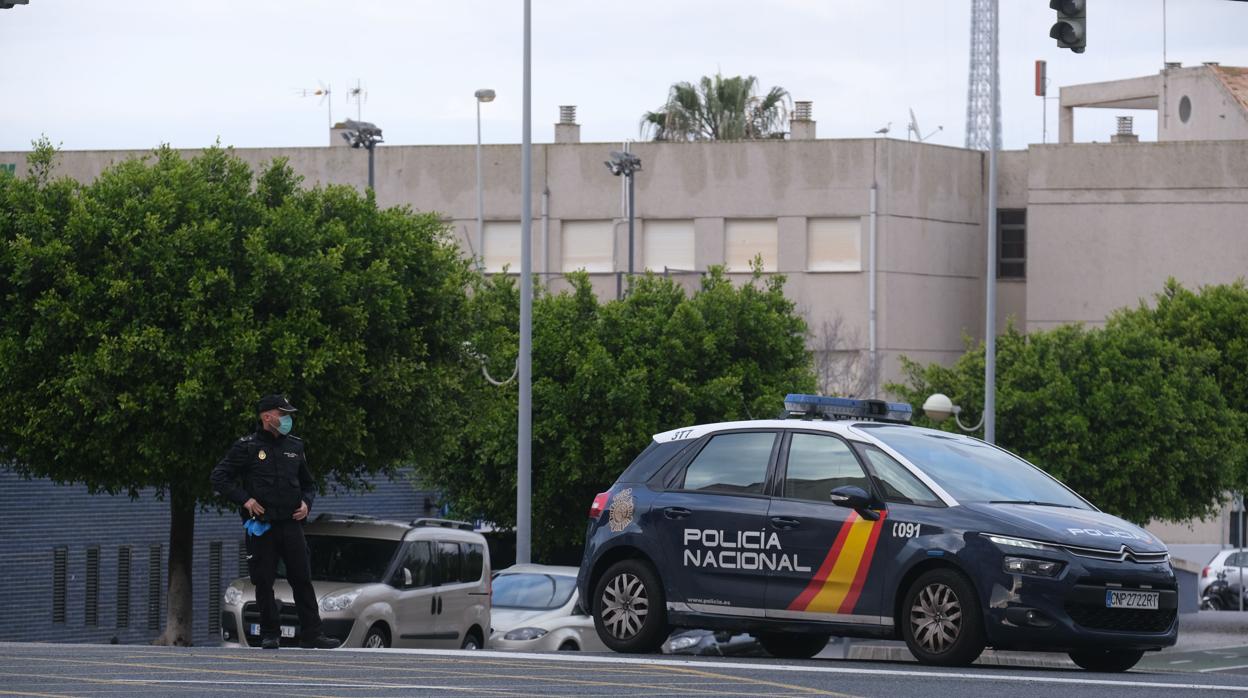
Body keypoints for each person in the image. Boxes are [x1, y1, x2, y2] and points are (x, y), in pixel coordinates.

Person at [210, 394, 339, 650]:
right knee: (263, 581)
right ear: (267, 416)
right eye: (283, 414)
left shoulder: (295, 447)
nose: (287, 419)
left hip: (291, 524)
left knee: (301, 578)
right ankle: (270, 634)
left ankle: (312, 634)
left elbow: (309, 484)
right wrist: (245, 500)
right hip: (263, 526)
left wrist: (306, 504)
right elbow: (219, 477)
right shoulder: (246, 447)